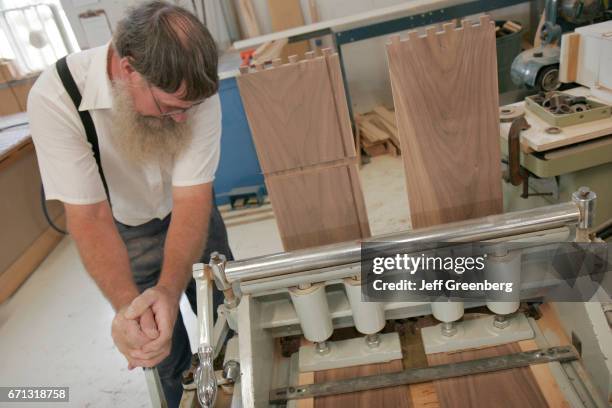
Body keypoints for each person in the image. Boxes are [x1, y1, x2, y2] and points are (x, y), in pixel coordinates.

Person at [27, 2, 232, 406]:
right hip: (125, 228)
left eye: (187, 109)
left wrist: (170, 291)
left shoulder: (193, 89)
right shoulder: (57, 97)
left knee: (228, 321)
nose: (180, 119)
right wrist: (130, 312)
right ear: (128, 68)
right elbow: (90, 217)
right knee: (162, 353)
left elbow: (191, 199)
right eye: (169, 107)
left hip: (191, 216)